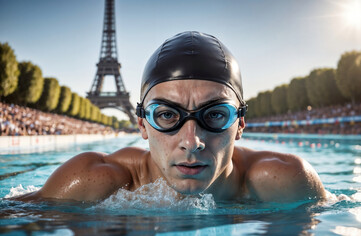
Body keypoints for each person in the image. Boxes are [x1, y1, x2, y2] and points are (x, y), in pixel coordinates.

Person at [14, 31, 326, 203]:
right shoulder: (92, 181)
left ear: (240, 124)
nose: (191, 142)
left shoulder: (286, 180)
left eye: (215, 114)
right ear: (142, 125)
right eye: (166, 115)